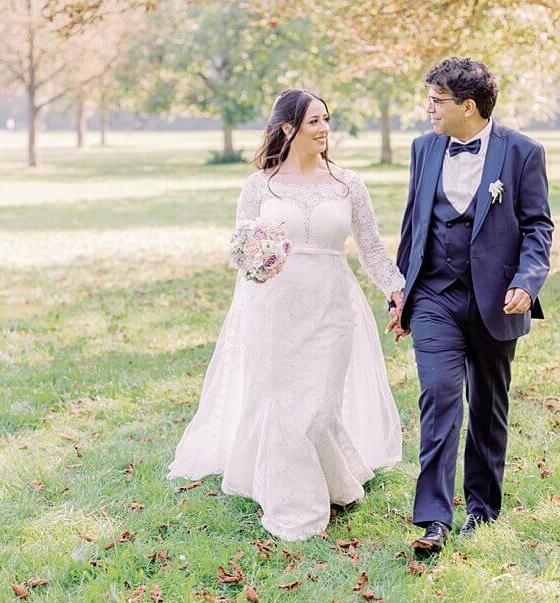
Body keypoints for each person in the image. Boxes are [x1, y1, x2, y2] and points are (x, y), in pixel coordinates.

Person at [169, 88, 405, 541]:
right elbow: (242, 247)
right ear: (288, 128)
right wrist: (256, 261)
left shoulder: (348, 184)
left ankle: (331, 480)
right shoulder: (261, 186)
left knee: (319, 409)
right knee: (280, 406)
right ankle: (294, 503)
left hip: (332, 308)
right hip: (273, 311)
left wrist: (396, 289)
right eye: (314, 121)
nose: (324, 129)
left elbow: (371, 248)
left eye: (326, 119)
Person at [388, 57, 553, 557]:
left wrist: (527, 282)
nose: (429, 108)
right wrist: (400, 294)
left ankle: (482, 509)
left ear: (469, 106)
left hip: (496, 300)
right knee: (439, 397)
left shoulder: (522, 152)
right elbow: (414, 224)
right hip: (434, 296)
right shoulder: (423, 149)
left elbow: (538, 227)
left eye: (437, 100)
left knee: (487, 407)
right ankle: (434, 520)